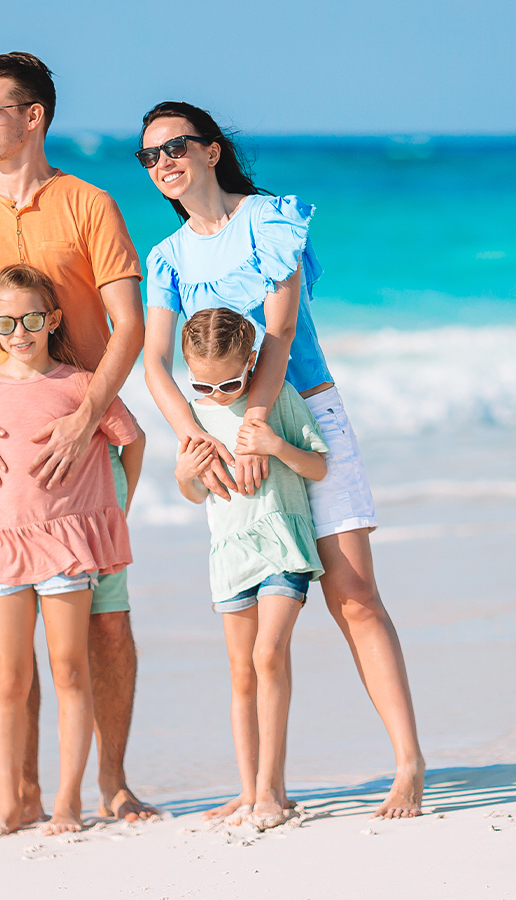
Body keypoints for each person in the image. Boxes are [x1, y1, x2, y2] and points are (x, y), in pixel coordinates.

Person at [138, 101, 427, 818]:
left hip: (305, 418)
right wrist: (194, 436)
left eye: (175, 147)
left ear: (211, 151)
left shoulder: (268, 220)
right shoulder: (167, 257)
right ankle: (265, 790)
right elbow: (152, 363)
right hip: (228, 437)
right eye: (149, 157)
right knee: (256, 624)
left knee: (353, 597)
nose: (163, 164)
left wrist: (259, 421)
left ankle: (408, 764)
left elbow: (281, 328)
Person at [0, 51, 155, 824]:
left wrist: (89, 418)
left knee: (105, 628)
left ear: (33, 116)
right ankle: (17, 795)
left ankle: (110, 785)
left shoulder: (88, 204)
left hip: (85, 443)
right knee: (6, 638)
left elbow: (130, 325)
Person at [0, 265, 144, 836]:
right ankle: (11, 802)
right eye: (5, 321)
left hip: (64, 547)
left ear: (52, 318)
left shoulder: (80, 386)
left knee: (69, 672)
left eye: (32, 318)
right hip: (3, 546)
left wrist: (111, 509)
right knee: (7, 679)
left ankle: (67, 803)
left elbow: (133, 441)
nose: (20, 331)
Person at [174, 308, 327, 829]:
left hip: (283, 543)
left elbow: (318, 465)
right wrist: (185, 474)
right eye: (202, 384)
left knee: (268, 653)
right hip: (231, 554)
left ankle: (272, 790)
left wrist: (275, 445)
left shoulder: (276, 400)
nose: (218, 396)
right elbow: (195, 494)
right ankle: (247, 790)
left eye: (230, 383)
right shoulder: (195, 416)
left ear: (253, 362)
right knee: (242, 673)